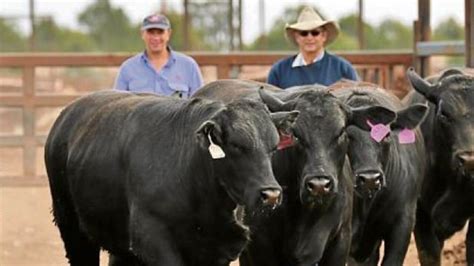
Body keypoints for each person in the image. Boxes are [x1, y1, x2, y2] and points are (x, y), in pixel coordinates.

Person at [114, 14, 203, 98]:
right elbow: (117, 105)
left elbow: (200, 106)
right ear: (142, 34)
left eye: (160, 32)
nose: (156, 38)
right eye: (151, 32)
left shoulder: (189, 66)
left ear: (168, 34)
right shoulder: (127, 68)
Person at [267, 6, 358, 89]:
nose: (309, 37)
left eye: (315, 33)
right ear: (297, 37)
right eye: (304, 33)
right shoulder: (279, 70)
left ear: (324, 36)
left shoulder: (343, 68)